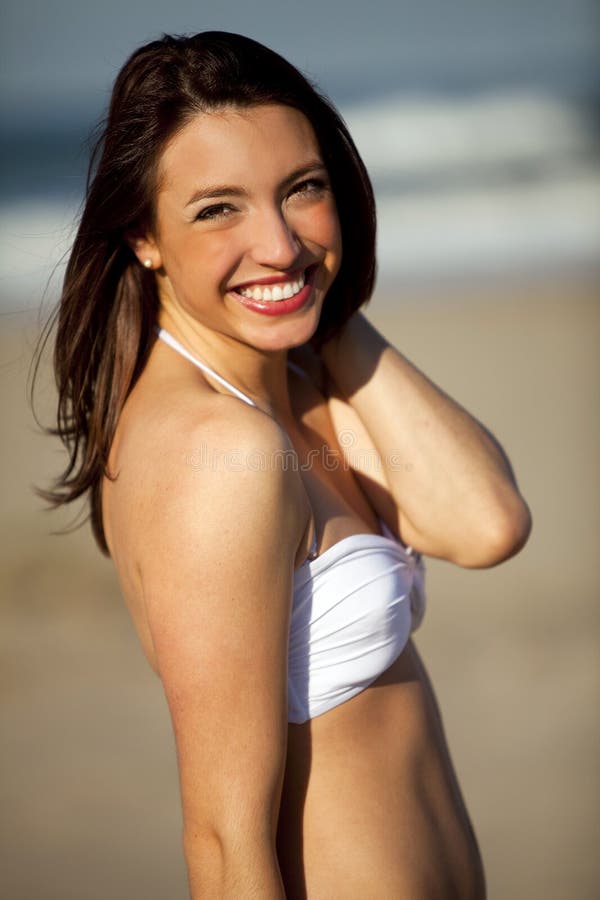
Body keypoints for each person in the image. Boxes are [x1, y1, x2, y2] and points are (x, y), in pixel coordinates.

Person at [37, 31, 531, 899]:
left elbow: (485, 522)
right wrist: (301, 290)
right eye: (217, 208)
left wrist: (324, 306)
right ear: (144, 237)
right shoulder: (219, 454)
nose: (276, 241)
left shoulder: (294, 390)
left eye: (301, 190)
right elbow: (225, 840)